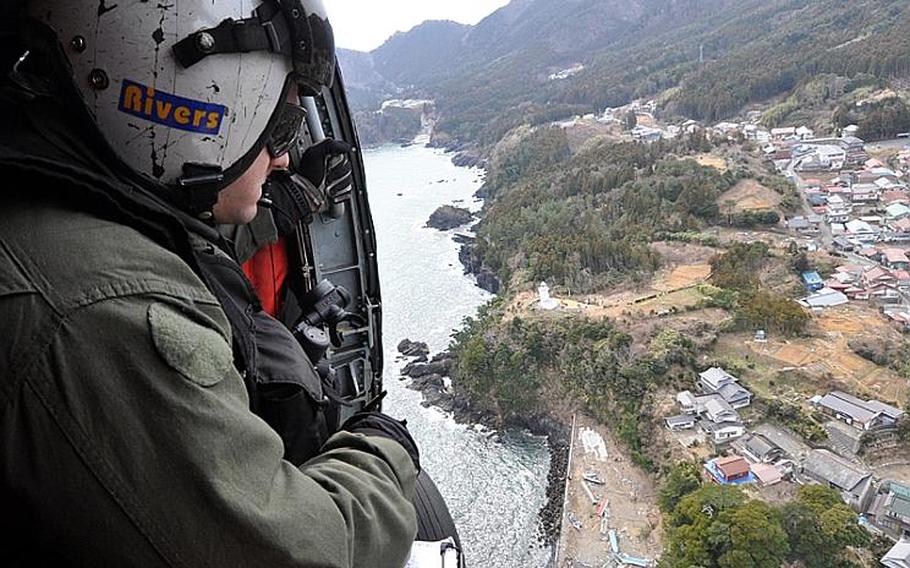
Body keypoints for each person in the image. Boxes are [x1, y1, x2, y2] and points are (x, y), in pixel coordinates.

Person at [0, 1, 421, 566]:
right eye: (281, 128)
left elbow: (189, 247)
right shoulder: (104, 311)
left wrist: (287, 207)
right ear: (191, 107)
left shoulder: (68, 207)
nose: (284, 159)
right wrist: (386, 446)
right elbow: (309, 552)